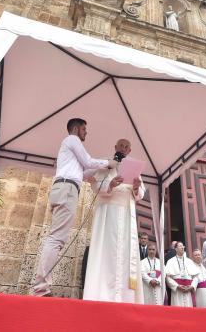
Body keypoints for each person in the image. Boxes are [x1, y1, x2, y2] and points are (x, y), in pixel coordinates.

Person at [31, 118, 117, 297]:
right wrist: (107, 162)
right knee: (56, 239)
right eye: (84, 129)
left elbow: (84, 173)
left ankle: (41, 285)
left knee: (55, 238)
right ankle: (40, 287)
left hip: (64, 188)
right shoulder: (72, 140)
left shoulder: (69, 150)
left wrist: (103, 167)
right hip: (67, 189)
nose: (86, 132)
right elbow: (87, 161)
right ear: (76, 129)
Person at [83, 138, 145, 303]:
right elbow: (95, 187)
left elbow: (141, 194)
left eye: (127, 146)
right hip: (108, 215)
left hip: (126, 217)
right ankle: (102, 294)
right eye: (121, 145)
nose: (123, 148)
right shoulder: (107, 165)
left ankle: (126, 297)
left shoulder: (135, 169)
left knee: (126, 255)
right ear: (115, 147)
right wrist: (109, 185)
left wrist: (137, 188)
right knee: (107, 253)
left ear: (129, 151)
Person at [165, 242, 199, 307]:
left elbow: (196, 276)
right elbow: (167, 277)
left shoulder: (189, 261)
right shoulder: (171, 261)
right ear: (176, 249)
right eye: (180, 246)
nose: (182, 247)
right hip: (177, 291)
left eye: (183, 246)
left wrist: (192, 286)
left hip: (188, 290)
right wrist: (177, 286)